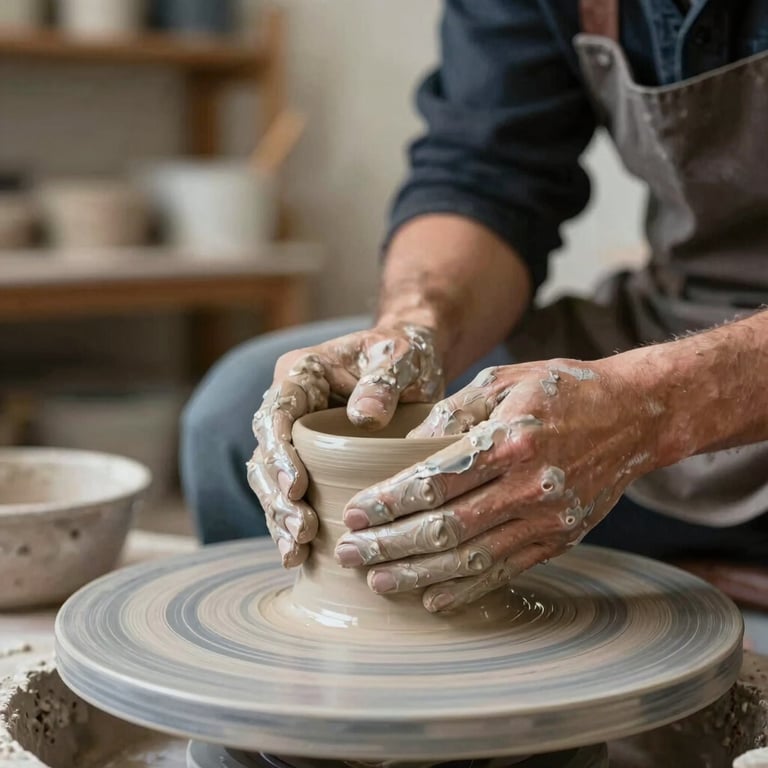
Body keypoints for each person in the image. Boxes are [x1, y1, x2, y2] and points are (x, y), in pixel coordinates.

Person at [181, 0, 768, 614]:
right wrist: (417, 324)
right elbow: (489, 172)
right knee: (238, 417)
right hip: (677, 315)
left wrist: (650, 408)